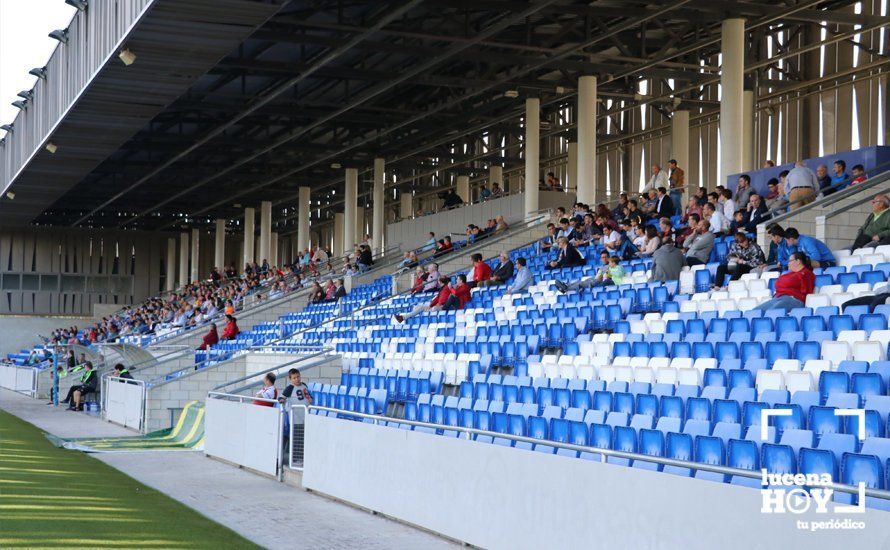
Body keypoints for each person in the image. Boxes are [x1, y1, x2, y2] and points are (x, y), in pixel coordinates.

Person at [279, 368, 312, 462]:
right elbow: (281, 397)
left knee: (304, 437)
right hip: (296, 417)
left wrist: (310, 399)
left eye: (298, 377)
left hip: (305, 415)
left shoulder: (304, 385)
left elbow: (308, 395)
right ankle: (296, 458)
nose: (297, 379)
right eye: (294, 378)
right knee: (297, 438)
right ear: (290, 379)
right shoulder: (290, 388)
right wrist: (282, 400)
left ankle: (303, 457)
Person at [554, 256, 624, 293]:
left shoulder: (619, 267)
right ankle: (566, 285)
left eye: (610, 262)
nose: (609, 264)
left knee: (581, 284)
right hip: (600, 279)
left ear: (614, 263)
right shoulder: (610, 268)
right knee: (581, 282)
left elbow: (619, 274)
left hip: (604, 281)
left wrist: (608, 273)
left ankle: (566, 288)